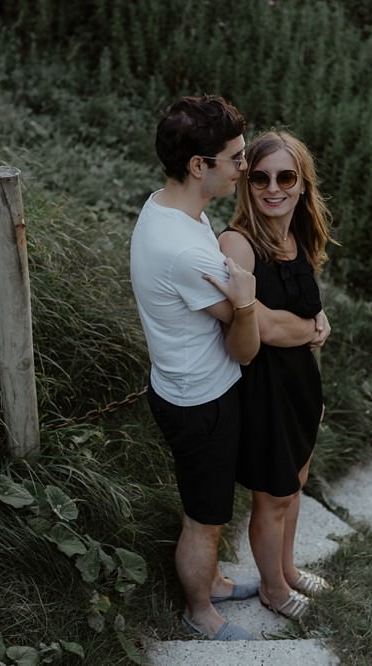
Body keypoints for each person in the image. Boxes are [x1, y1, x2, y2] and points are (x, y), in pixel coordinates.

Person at [129, 95, 261, 642]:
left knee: (210, 505)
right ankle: (200, 611)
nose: (244, 167)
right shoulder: (186, 252)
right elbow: (243, 342)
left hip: (183, 384)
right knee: (203, 517)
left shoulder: (164, 208)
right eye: (234, 158)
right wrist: (249, 300)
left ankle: (215, 581)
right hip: (200, 398)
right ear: (198, 166)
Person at [218, 130, 335, 621]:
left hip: (299, 384)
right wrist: (310, 326)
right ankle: (271, 589)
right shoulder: (237, 244)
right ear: (247, 182)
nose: (273, 188)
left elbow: (303, 309)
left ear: (302, 184)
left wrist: (316, 324)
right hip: (261, 390)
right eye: (260, 177)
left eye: (286, 176)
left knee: (296, 484)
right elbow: (260, 326)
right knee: (272, 496)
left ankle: (285, 568)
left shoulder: (299, 237)